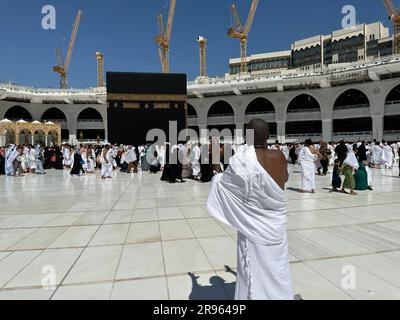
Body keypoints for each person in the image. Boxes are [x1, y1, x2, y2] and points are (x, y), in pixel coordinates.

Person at [207, 119, 293, 300]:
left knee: (252, 269)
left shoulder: (242, 160)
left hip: (252, 226)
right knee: (277, 267)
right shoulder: (279, 157)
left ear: (247, 137)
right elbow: (284, 179)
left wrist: (215, 158)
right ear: (269, 136)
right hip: (275, 225)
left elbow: (221, 184)